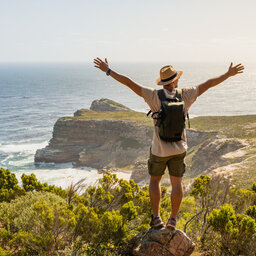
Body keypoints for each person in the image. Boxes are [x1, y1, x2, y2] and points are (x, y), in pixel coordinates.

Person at [93, 57, 244, 229]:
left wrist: (109, 70)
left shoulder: (153, 95)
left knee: (155, 181)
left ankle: (156, 217)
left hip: (159, 150)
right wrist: (228, 74)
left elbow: (129, 82)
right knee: (176, 183)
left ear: (163, 82)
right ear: (175, 80)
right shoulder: (186, 94)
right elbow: (208, 83)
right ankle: (172, 219)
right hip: (179, 149)